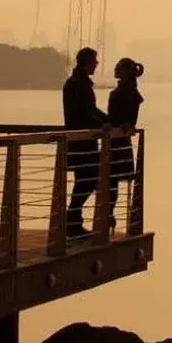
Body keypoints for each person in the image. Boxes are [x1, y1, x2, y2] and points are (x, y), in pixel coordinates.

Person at [62, 46, 108, 236]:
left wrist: (107, 121)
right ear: (87, 62)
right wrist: (105, 123)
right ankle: (71, 220)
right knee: (87, 180)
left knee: (85, 180)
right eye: (94, 61)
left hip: (84, 139)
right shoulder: (77, 84)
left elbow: (91, 110)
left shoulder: (77, 82)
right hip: (81, 139)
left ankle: (73, 221)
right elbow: (86, 111)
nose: (96, 65)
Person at [105, 58, 145, 221]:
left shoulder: (129, 93)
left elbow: (129, 120)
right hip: (115, 140)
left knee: (111, 180)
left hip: (119, 142)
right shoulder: (123, 92)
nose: (115, 70)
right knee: (110, 181)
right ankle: (108, 214)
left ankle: (108, 214)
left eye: (118, 68)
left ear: (127, 73)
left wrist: (124, 126)